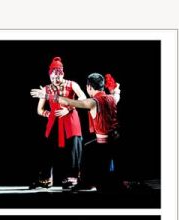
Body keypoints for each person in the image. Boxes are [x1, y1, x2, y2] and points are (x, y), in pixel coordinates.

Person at [31, 73, 121, 191]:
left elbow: (69, 102)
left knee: (86, 152)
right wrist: (115, 88)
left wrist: (48, 96)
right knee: (86, 147)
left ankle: (88, 182)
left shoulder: (93, 102)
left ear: (89, 87)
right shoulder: (113, 99)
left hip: (103, 145)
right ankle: (89, 181)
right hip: (116, 142)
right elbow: (117, 94)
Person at [32, 57, 86, 189]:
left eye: (57, 77)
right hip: (54, 123)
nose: (55, 79)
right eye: (52, 77)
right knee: (48, 150)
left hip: (71, 120)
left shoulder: (72, 84)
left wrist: (69, 108)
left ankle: (72, 178)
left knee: (73, 150)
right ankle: (46, 179)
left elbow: (83, 98)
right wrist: (49, 115)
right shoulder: (46, 89)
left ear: (62, 74)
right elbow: (39, 110)